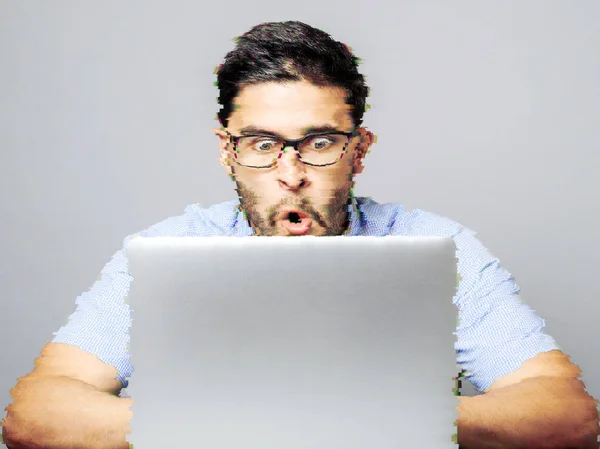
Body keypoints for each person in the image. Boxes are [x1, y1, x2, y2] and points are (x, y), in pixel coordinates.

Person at [2, 21, 598, 449]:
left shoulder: (441, 247)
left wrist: (385, 419)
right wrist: (234, 425)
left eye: (318, 143)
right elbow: (34, 414)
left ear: (358, 151)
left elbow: (566, 416)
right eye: (262, 145)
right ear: (227, 153)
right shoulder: (167, 249)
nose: (290, 176)